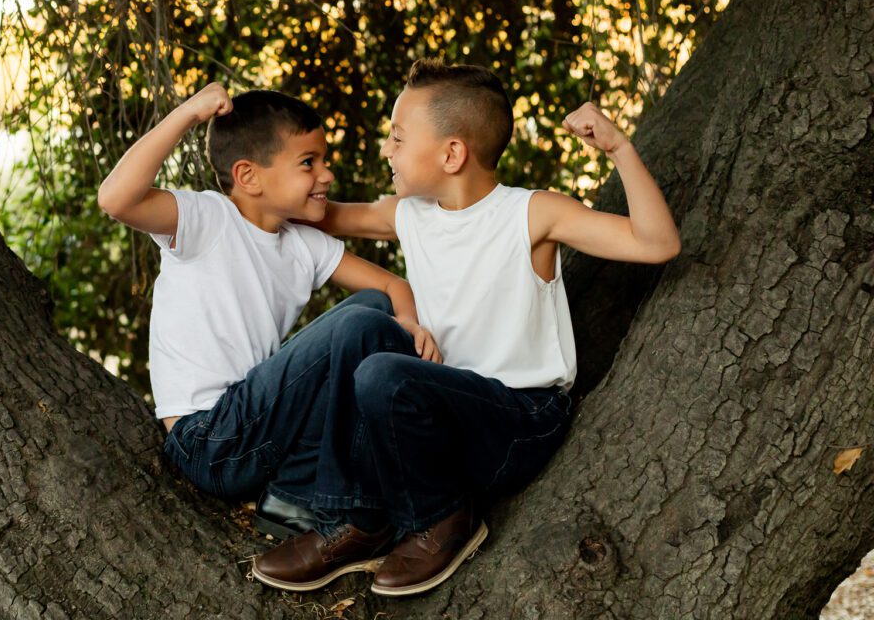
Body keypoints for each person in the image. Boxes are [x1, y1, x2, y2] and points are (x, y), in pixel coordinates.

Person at [252, 58, 681, 596]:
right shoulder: (409, 214)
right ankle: (353, 521)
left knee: (385, 374)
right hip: (438, 424)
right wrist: (255, 185)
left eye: (399, 137)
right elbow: (319, 214)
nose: (387, 149)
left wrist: (619, 148)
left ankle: (443, 518)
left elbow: (657, 243)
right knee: (362, 324)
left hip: (518, 420)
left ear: (452, 153)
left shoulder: (533, 213)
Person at [97, 82, 440, 589]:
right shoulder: (206, 219)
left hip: (262, 439)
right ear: (248, 176)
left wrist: (409, 326)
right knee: (362, 321)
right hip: (208, 438)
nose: (326, 175)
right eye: (309, 163)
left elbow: (393, 286)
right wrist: (188, 114)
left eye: (323, 161)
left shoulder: (304, 244)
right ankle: (344, 511)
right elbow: (115, 198)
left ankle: (296, 494)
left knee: (373, 317)